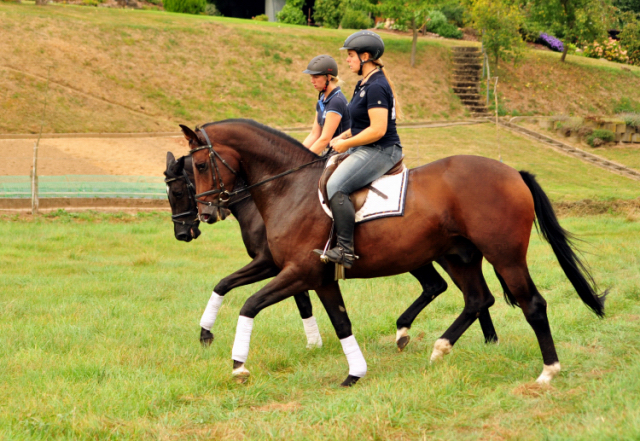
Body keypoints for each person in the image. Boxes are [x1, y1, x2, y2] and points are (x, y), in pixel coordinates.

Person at [317, 30, 404, 269]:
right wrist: (342, 137)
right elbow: (360, 125)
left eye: (351, 55)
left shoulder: (376, 86)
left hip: (381, 149)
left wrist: (345, 144)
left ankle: (345, 250)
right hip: (366, 145)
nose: (347, 60)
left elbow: (377, 130)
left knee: (336, 186)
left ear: (365, 56)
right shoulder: (362, 83)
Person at [302, 55, 350, 155]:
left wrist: (302, 160)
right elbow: (314, 135)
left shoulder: (336, 101)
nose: (312, 81)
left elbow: (324, 140)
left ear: (328, 77)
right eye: (311, 77)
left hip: (341, 155)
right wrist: (297, 153)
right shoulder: (322, 100)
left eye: (316, 77)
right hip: (329, 154)